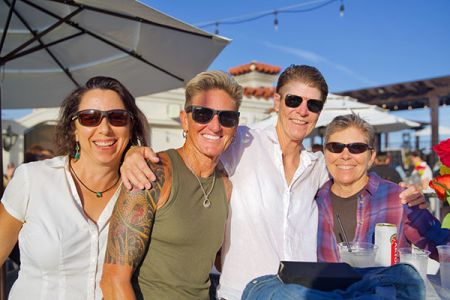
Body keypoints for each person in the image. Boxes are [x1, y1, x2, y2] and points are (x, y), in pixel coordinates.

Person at [119, 65, 426, 299]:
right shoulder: (242, 139)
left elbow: (354, 167)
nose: (302, 111)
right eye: (294, 100)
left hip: (304, 291)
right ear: (277, 102)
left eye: (313, 104)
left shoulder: (318, 165)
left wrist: (406, 192)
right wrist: (137, 154)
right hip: (244, 292)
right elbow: (199, 145)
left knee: (404, 280)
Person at [0, 76, 149, 299]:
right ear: (74, 129)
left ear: (130, 127)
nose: (105, 129)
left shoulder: (143, 188)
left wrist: (137, 152)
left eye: (117, 117)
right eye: (90, 118)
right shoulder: (32, 179)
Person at [100, 71, 242, 299]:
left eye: (227, 118)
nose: (215, 126)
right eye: (203, 114)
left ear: (235, 127)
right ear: (185, 120)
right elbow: (113, 281)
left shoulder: (225, 185)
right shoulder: (153, 173)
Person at [316, 114, 450, 262]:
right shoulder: (312, 200)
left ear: (371, 156)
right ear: (325, 153)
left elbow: (443, 245)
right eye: (336, 147)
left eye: (357, 147)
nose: (345, 155)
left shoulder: (399, 199)